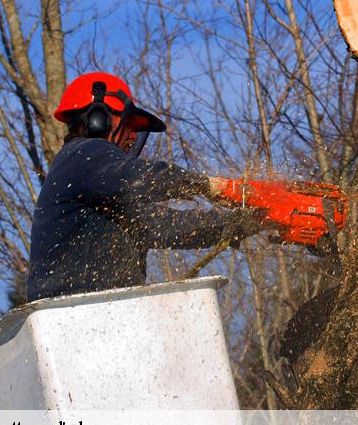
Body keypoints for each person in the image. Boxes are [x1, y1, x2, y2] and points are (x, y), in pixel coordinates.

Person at [26, 72, 264, 302]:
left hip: (98, 315)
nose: (131, 137)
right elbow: (139, 178)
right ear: (99, 119)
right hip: (76, 313)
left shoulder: (98, 187)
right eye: (128, 124)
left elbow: (167, 225)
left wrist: (245, 221)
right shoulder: (84, 153)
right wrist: (207, 186)